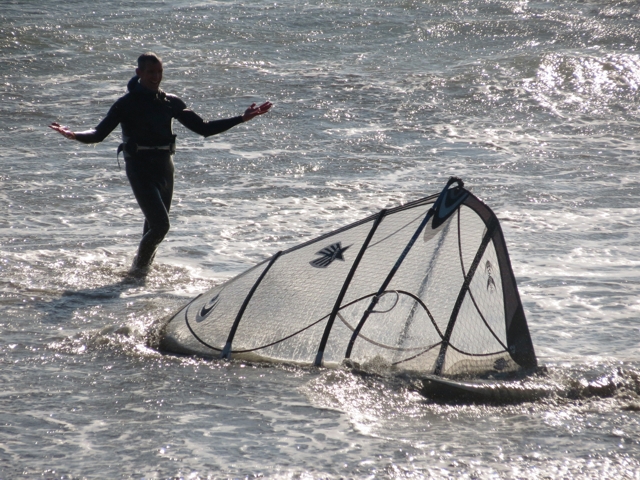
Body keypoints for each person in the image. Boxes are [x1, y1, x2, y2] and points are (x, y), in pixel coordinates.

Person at [50, 52, 272, 275]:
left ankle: (140, 276)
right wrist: (75, 135)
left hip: (165, 167)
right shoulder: (125, 104)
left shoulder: (170, 102)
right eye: (150, 72)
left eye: (159, 72)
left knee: (152, 226)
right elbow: (99, 133)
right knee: (160, 226)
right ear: (139, 73)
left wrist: (241, 118)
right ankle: (137, 271)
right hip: (139, 167)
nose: (155, 77)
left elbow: (203, 128)